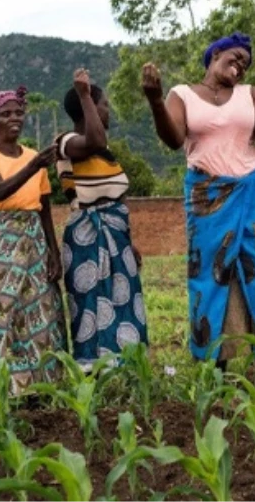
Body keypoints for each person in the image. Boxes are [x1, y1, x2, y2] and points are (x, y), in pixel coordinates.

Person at [142, 33, 255, 365]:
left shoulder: (251, 95)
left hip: (254, 189)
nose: (240, 67)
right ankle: (211, 364)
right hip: (208, 195)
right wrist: (155, 101)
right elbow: (174, 139)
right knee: (208, 274)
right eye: (235, 58)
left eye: (245, 64)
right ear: (215, 54)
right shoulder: (182, 95)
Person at [0, 88, 65, 394]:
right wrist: (34, 166)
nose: (14, 118)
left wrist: (53, 250)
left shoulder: (32, 156)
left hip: (33, 236)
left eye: (18, 113)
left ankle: (42, 387)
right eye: (6, 114)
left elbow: (44, 207)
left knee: (38, 309)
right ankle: (2, 388)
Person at [57, 69, 149, 368]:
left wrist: (129, 242)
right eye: (104, 104)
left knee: (124, 295)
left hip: (116, 233)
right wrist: (85, 93)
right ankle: (91, 367)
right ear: (88, 108)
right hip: (86, 233)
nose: (108, 111)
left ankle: (126, 362)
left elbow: (117, 199)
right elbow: (94, 140)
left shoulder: (106, 153)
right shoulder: (68, 142)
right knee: (90, 300)